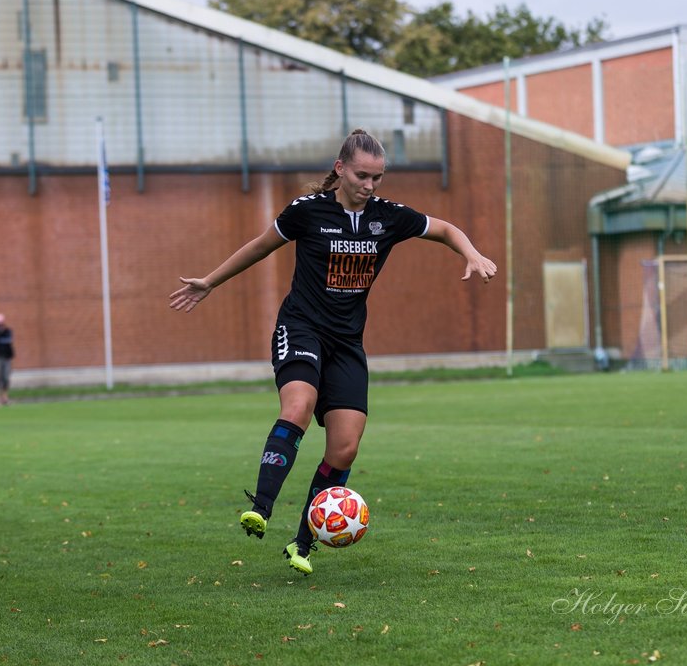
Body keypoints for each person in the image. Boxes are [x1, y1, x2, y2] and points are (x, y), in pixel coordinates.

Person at [169, 129, 498, 575]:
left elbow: (442, 228)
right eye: (362, 175)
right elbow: (258, 247)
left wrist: (471, 252)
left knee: (344, 448)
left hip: (347, 343)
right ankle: (261, 508)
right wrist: (210, 281)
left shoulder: (388, 217)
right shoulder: (308, 211)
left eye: (378, 178)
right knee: (299, 405)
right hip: (301, 327)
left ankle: (302, 544)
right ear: (341, 169)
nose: (370, 185)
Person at [0, 313, 15, 405]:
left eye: (1, 323)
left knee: (5, 378)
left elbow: (8, 340)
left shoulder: (8, 331)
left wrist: (0, 338)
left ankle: (5, 397)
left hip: (6, 357)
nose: (0, 325)